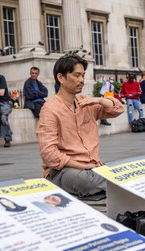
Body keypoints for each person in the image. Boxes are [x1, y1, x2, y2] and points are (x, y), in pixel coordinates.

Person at [36, 53, 124, 198]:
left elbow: (118, 109)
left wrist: (99, 100)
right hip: (63, 171)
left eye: (83, 75)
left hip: (92, 168)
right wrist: (84, 166)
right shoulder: (50, 109)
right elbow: (49, 154)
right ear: (60, 78)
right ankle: (118, 184)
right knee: (87, 181)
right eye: (76, 75)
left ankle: (113, 183)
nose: (81, 80)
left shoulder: (86, 102)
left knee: (113, 173)